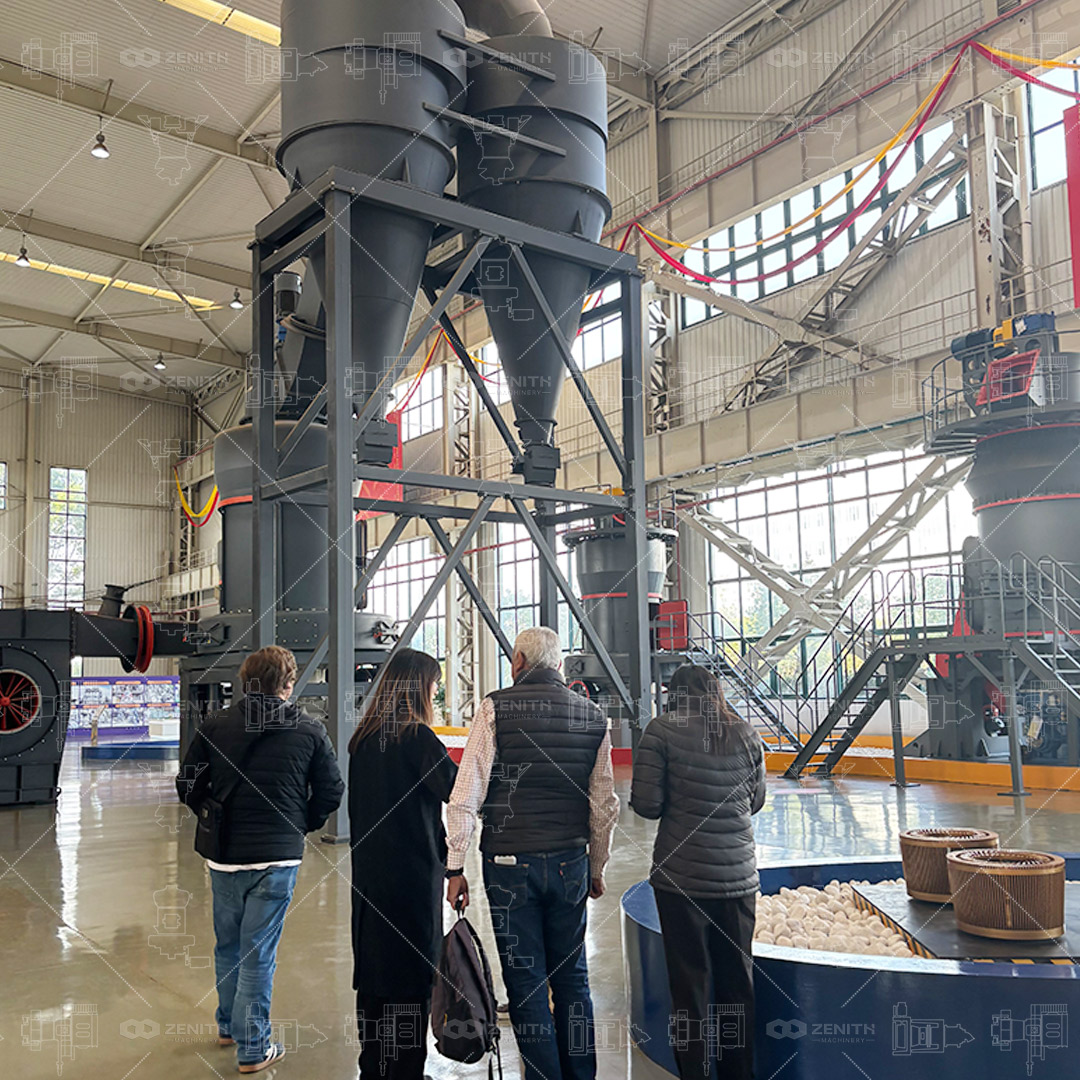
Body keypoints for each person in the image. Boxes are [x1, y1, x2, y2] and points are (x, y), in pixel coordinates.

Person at [445, 626, 619, 1080]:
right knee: (572, 979)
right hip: (570, 862)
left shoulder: (495, 708)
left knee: (526, 983)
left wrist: (455, 866)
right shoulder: (592, 715)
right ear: (559, 666)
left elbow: (466, 793)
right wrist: (596, 866)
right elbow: (604, 804)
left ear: (517, 663)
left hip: (508, 864)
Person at [177, 645, 344, 1074]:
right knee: (258, 953)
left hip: (225, 855)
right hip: (277, 857)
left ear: (245, 681)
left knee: (228, 944)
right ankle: (253, 1047)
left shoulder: (215, 725)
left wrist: (211, 814)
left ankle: (228, 1027)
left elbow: (187, 784)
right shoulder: (309, 729)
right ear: (287, 684)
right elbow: (331, 790)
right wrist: (301, 823)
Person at [630, 664, 766, 1080]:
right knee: (737, 987)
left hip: (681, 881)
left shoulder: (660, 731)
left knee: (689, 990)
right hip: (738, 881)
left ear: (674, 694)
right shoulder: (746, 733)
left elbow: (647, 805)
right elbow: (755, 801)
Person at [348, 648, 457, 1080]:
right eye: (433, 685)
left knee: (375, 979)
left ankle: (372, 1069)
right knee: (411, 983)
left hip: (369, 881)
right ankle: (406, 1072)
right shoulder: (418, 740)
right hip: (412, 880)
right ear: (419, 688)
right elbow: (456, 790)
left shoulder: (363, 740)